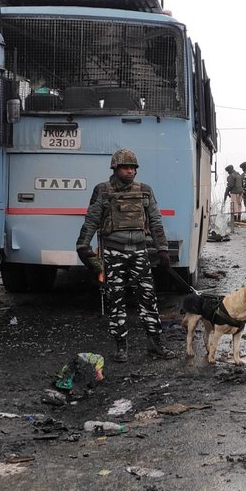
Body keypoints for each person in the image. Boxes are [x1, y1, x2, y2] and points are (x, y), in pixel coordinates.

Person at [75, 148, 176, 363]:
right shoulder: (102, 190)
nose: (130, 171)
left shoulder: (145, 191)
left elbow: (156, 222)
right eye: (126, 168)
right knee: (116, 300)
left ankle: (155, 344)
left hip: (140, 251)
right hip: (114, 252)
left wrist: (163, 249)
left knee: (148, 299)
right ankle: (121, 347)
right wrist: (83, 245)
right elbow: (91, 220)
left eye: (133, 168)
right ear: (116, 168)